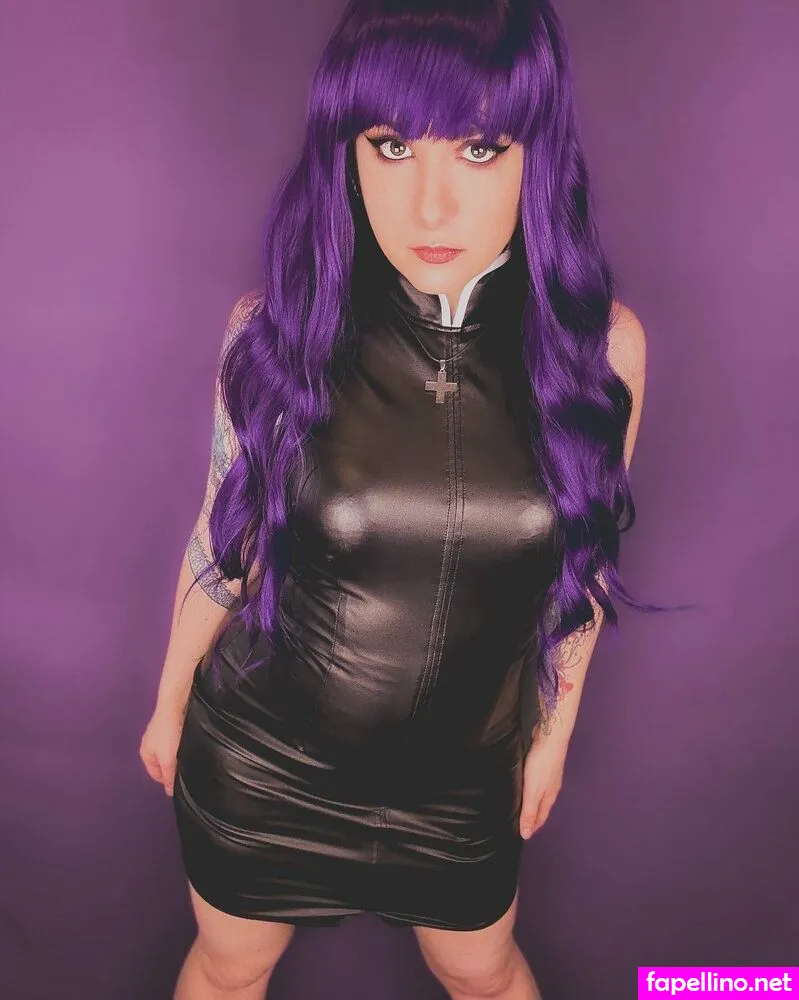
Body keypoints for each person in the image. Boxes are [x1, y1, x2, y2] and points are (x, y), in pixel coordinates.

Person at [139, 1, 651, 997]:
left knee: (483, 974)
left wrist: (553, 738)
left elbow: (581, 573)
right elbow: (223, 540)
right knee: (229, 972)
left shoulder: (602, 356)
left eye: (479, 149)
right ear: (347, 152)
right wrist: (168, 702)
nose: (428, 207)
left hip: (458, 787)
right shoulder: (274, 334)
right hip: (264, 766)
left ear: (535, 154)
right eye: (390, 146)